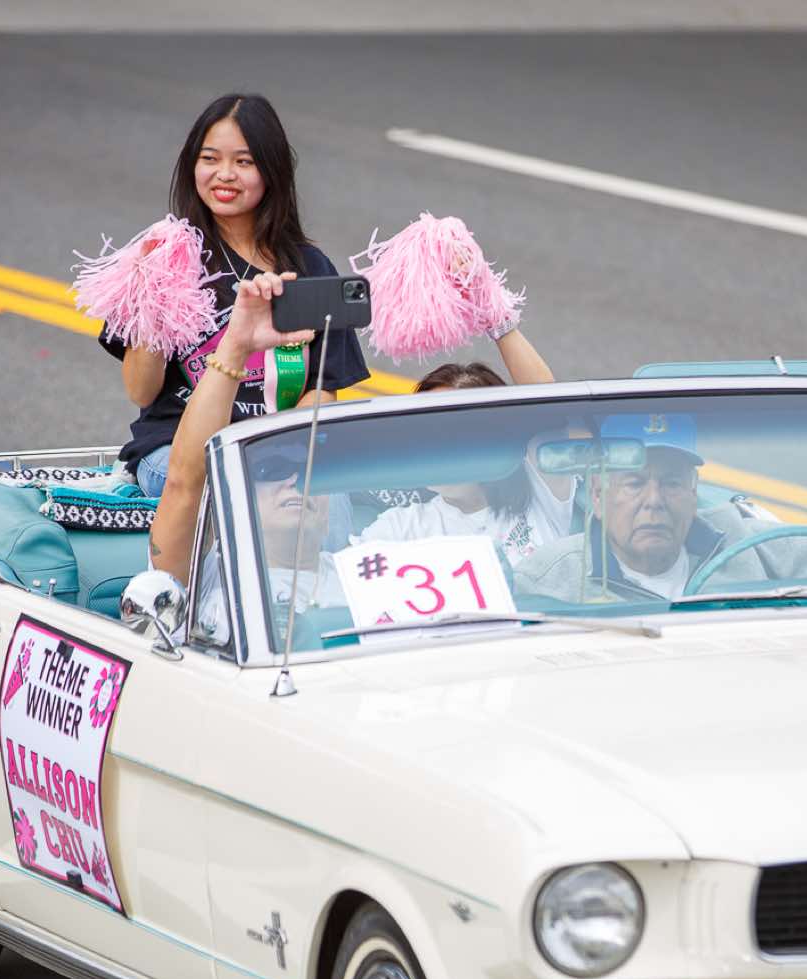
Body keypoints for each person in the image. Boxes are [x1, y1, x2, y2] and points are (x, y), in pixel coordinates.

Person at [102, 93, 370, 503]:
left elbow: (323, 391)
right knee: (238, 494)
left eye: (244, 162)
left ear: (272, 171)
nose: (224, 174)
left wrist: (283, 461)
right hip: (177, 450)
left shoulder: (309, 266)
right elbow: (141, 392)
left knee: (331, 499)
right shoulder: (167, 255)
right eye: (209, 159)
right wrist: (152, 299)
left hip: (278, 451)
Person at [515, 415, 807, 603]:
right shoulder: (548, 579)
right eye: (635, 483)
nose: (654, 500)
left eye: (671, 482)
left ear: (694, 494)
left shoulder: (742, 543)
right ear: (599, 496)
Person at [149, 271, 335, 641]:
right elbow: (186, 483)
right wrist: (235, 346)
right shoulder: (208, 576)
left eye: (309, 471)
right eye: (273, 468)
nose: (295, 480)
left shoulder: (362, 569)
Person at [355, 324, 578, 563]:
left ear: (493, 437)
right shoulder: (399, 528)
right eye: (424, 428)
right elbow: (338, 573)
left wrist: (500, 324)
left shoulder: (538, 493)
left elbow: (547, 406)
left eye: (451, 429)